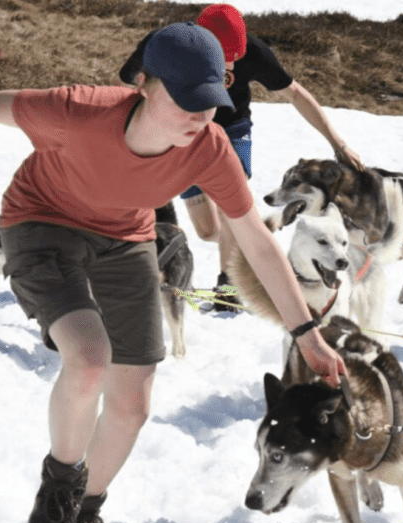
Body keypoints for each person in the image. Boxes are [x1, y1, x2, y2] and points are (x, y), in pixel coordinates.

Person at [0, 22, 346, 523]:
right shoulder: (79, 112)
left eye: (212, 101)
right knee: (87, 360)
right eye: (187, 101)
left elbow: (257, 242)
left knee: (132, 404)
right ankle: (54, 507)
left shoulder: (209, 147)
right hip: (42, 223)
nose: (201, 117)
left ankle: (85, 510)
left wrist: (307, 334)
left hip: (126, 236)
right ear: (145, 85)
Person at [120, 4, 365, 311]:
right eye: (225, 57)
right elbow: (130, 84)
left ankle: (229, 284)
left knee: (229, 203)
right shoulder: (173, 43)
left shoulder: (254, 53)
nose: (232, 64)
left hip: (233, 130)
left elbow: (296, 94)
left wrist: (338, 144)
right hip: (185, 131)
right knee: (208, 231)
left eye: (236, 55)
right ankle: (249, 237)